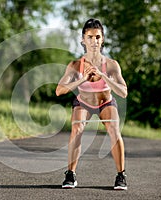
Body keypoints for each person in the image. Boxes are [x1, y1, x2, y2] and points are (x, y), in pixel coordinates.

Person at [55, 18, 128, 190]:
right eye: (90, 37)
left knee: (113, 130)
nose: (94, 41)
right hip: (83, 102)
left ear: (102, 39)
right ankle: (70, 174)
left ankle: (121, 175)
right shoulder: (75, 65)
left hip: (106, 102)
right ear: (83, 40)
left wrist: (103, 76)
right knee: (77, 129)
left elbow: (123, 92)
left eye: (97, 37)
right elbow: (59, 90)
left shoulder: (111, 65)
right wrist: (82, 79)